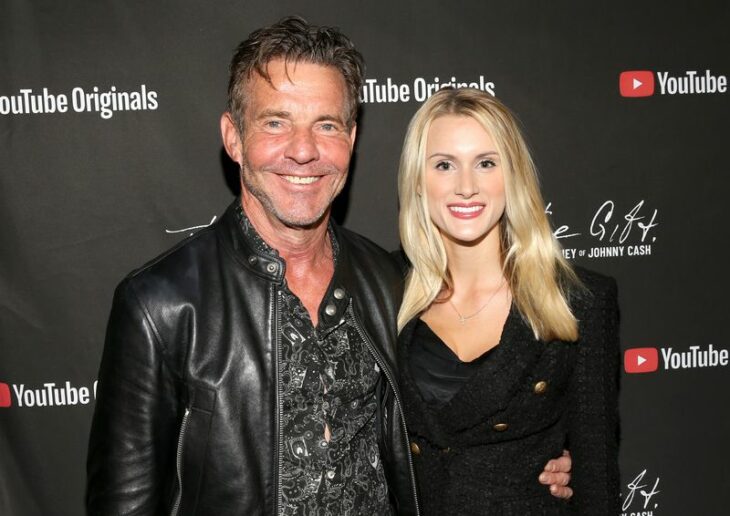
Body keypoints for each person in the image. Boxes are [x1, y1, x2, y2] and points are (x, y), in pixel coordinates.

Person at [86, 17, 573, 515]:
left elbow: (451, 425)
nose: (304, 150)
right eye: (276, 122)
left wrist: (536, 458)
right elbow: (125, 503)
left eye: (326, 125)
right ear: (234, 137)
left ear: (352, 138)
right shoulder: (160, 304)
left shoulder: (393, 284)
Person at [395, 88, 620, 515]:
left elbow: (597, 481)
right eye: (444, 165)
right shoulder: (382, 291)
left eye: (486, 163)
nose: (466, 187)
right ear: (418, 181)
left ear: (512, 174)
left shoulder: (577, 301)